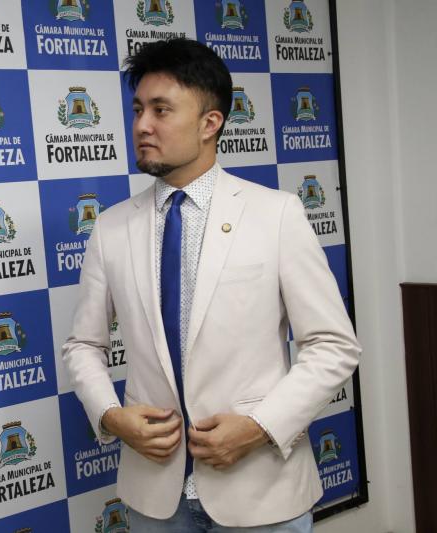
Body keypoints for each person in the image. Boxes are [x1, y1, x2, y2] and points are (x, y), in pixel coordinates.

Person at [62, 38, 360, 531]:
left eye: (161, 110)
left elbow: (333, 345)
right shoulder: (111, 228)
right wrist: (110, 415)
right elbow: (83, 345)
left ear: (210, 123)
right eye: (138, 109)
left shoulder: (276, 215)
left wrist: (260, 427)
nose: (142, 125)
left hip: (261, 488)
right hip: (155, 497)